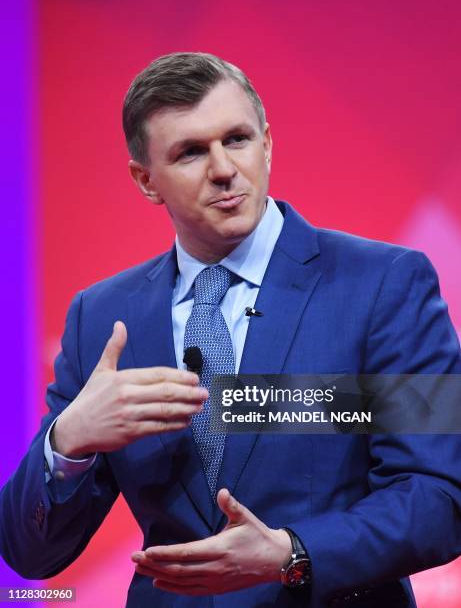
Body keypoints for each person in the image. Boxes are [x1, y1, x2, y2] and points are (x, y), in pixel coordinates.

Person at [1, 52, 461, 608]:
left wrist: (295, 552)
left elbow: (438, 496)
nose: (223, 169)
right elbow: (29, 554)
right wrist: (68, 440)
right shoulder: (98, 319)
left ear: (267, 143)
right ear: (146, 180)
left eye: (237, 139)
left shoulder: (384, 284)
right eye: (191, 152)